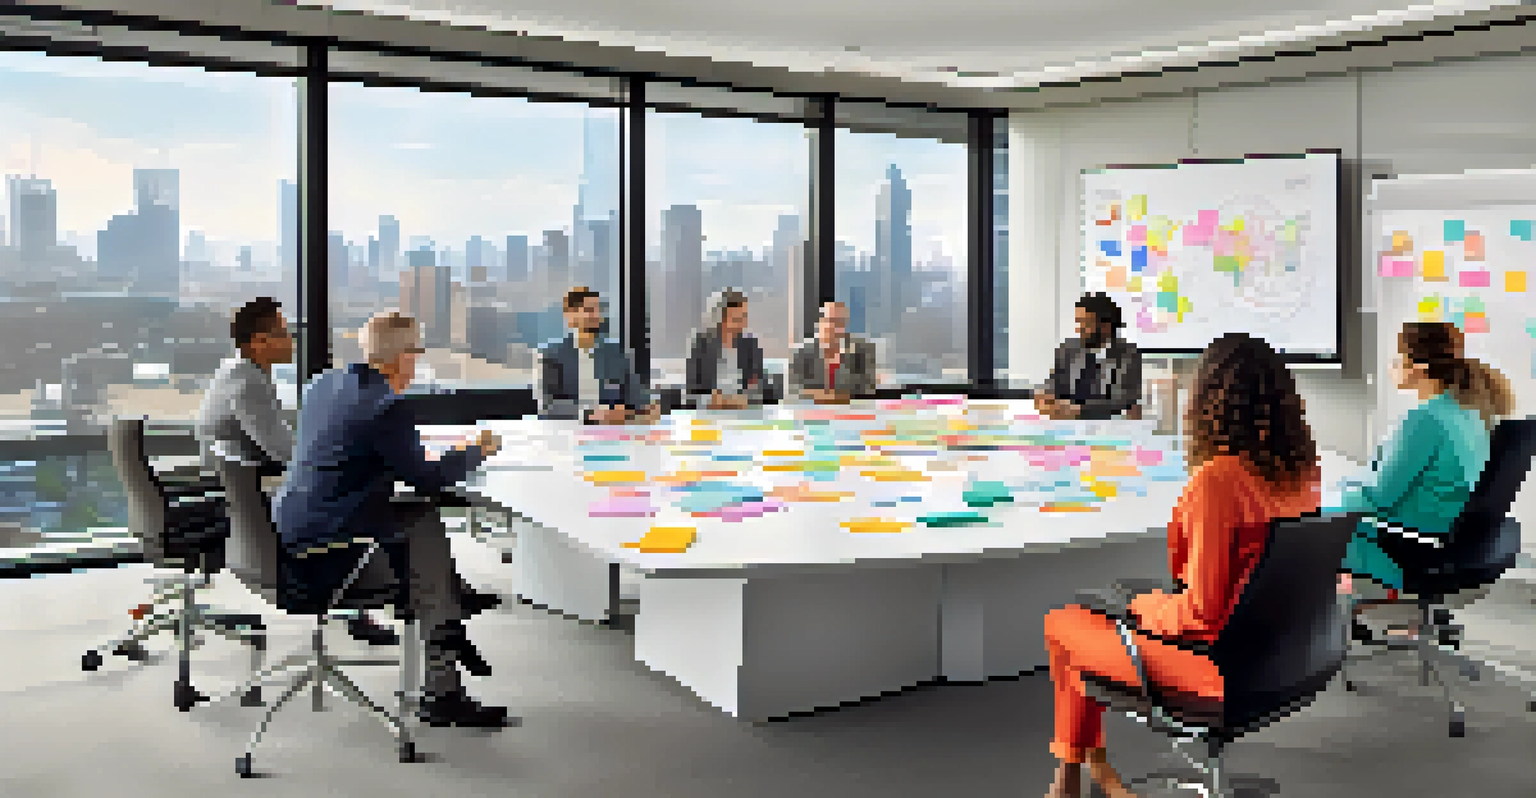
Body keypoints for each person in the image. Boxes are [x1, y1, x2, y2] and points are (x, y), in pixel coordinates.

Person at [1039, 333, 1321, 798]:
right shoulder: (1304, 473)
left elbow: (1201, 615)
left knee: (1064, 626)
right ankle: (1081, 777)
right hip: (1289, 658)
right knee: (1094, 619)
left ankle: (1077, 778)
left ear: (1209, 399)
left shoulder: (1219, 481)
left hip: (1219, 668)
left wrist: (1144, 607)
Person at [273, 311, 512, 728]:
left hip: (286, 533)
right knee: (423, 525)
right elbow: (428, 477)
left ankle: (449, 616)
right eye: (417, 351)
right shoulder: (386, 407)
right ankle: (443, 678)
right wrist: (477, 451)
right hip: (328, 555)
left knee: (418, 521)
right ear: (403, 357)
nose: (418, 360)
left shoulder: (323, 385)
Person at [198, 298, 405, 647]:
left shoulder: (239, 371)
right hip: (246, 486)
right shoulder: (248, 384)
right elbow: (286, 452)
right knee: (349, 494)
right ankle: (366, 596)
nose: (292, 340)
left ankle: (357, 601)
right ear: (259, 341)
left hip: (239, 481)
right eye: (284, 333)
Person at [1332, 321, 1514, 637]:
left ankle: (1317, 635)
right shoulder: (1469, 411)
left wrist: (1339, 489)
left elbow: (1381, 495)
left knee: (1312, 524)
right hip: (1455, 538)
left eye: (1396, 358)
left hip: (1419, 544)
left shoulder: (1424, 419)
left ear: (1416, 366)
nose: (1391, 366)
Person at [539, 287, 659, 424]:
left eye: (598, 309)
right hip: (569, 431)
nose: (596, 315)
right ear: (571, 315)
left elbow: (638, 397)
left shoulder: (615, 353)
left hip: (611, 432)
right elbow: (549, 406)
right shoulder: (553, 355)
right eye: (589, 310)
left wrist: (641, 408)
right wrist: (590, 414)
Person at [1037, 293, 1143, 421]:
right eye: (1079, 322)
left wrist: (1079, 409)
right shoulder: (1068, 350)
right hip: (1065, 424)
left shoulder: (1128, 355)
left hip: (1107, 426)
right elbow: (1053, 384)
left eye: (1086, 324)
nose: (1079, 329)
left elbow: (1122, 400)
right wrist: (1046, 396)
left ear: (1105, 326)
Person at [686, 288, 771, 409]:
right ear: (720, 319)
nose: (742, 324)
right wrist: (710, 400)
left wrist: (746, 399)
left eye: (744, 318)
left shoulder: (750, 345)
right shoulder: (702, 345)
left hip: (743, 413)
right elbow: (691, 392)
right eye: (736, 320)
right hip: (710, 413)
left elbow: (761, 387)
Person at [788, 301, 877, 404]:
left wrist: (825, 396)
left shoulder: (863, 350)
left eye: (839, 322)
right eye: (829, 320)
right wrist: (831, 397)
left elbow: (867, 388)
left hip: (850, 411)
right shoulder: (802, 353)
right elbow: (793, 389)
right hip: (812, 411)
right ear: (820, 322)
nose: (833, 326)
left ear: (845, 324)